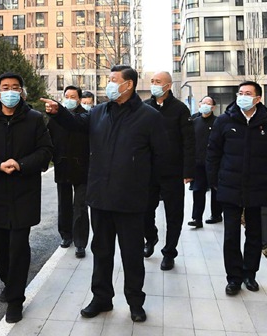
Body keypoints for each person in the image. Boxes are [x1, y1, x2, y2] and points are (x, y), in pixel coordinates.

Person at [42, 65, 166, 324]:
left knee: (132, 255)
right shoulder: (99, 112)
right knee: (101, 251)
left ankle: (135, 302)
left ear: (128, 84)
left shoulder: (149, 116)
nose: (109, 84)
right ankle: (101, 298)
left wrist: (152, 195)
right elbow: (77, 124)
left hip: (131, 200)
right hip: (100, 197)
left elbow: (161, 158)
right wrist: (59, 111)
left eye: (113, 80)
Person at [0, 72, 53, 324]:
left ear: (22, 92)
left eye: (15, 87)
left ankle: (16, 299)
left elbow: (45, 151)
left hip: (24, 193)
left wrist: (21, 164)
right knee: (0, 247)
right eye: (5, 87)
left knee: (19, 247)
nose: (10, 92)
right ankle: (9, 282)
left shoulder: (34, 119)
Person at [207, 81, 267, 296]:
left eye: (248, 93)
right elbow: (213, 153)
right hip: (229, 186)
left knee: (254, 234)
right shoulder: (224, 121)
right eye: (240, 93)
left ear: (258, 98)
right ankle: (233, 278)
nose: (242, 96)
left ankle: (250, 274)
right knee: (231, 235)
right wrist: (214, 181)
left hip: (258, 187)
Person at [142, 71, 194, 271]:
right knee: (145, 210)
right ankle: (151, 237)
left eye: (158, 81)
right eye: (152, 81)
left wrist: (188, 170)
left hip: (173, 171)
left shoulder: (180, 109)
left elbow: (188, 142)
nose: (154, 84)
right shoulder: (144, 107)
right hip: (148, 171)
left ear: (168, 85)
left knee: (174, 214)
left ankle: (169, 252)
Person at [49, 85, 90, 258]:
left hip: (82, 167)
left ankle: (80, 243)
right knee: (63, 204)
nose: (70, 99)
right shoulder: (55, 117)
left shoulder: (86, 116)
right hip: (62, 165)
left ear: (79, 99)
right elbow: (49, 139)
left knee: (80, 206)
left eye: (73, 97)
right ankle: (66, 235)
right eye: (67, 96)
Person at [188, 96, 222, 227]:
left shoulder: (218, 122)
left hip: (214, 163)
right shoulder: (194, 122)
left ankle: (216, 214)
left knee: (215, 189)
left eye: (208, 103)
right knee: (198, 190)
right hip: (198, 163)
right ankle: (197, 218)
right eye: (203, 102)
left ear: (213, 107)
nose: (205, 105)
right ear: (199, 104)